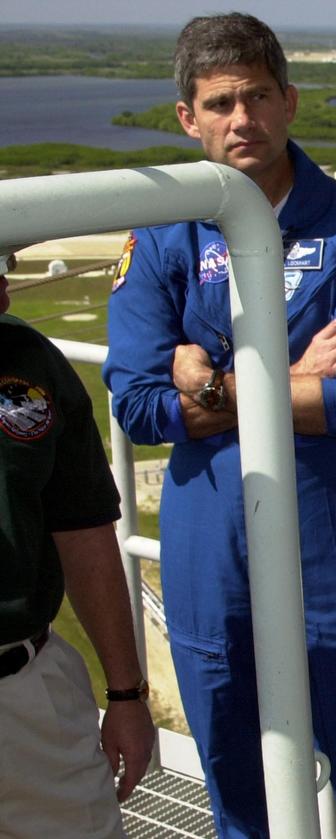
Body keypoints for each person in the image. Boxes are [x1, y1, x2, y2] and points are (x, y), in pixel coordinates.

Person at [101, 14, 336, 838]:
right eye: (219, 103)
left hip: (325, 530)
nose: (242, 119)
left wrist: (215, 378)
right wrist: (295, 374)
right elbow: (136, 399)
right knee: (234, 771)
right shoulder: (164, 228)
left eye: (258, 97)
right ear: (187, 118)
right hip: (210, 536)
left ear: (290, 102)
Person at [1, 252, 156, 837]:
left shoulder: (30, 359)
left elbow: (86, 531)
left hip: (27, 689)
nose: (4, 293)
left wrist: (125, 695)